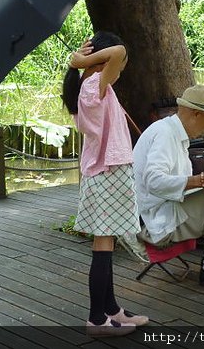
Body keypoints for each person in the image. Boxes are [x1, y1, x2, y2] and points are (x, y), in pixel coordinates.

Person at [62, 31, 149, 337]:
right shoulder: (92, 86)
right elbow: (119, 51)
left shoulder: (93, 87)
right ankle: (97, 319)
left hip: (106, 172)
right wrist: (82, 60)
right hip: (107, 173)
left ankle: (111, 310)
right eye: (118, 64)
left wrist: (81, 63)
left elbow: (116, 54)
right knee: (102, 245)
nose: (122, 67)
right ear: (99, 61)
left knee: (107, 244)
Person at [133, 84, 204, 293]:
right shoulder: (165, 134)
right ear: (196, 114)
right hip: (154, 222)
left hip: (168, 209)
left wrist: (202, 181)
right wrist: (201, 180)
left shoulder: (174, 132)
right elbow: (154, 181)